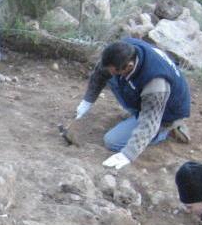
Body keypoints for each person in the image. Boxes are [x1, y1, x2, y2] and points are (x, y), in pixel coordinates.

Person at [74, 39, 191, 170]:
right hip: (149, 96)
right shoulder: (123, 49)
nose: (110, 72)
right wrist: (87, 101)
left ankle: (166, 130)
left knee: (112, 141)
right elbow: (100, 72)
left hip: (168, 112)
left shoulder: (155, 83)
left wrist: (127, 155)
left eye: (115, 71)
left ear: (129, 66)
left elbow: (148, 124)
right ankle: (136, 113)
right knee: (112, 77)